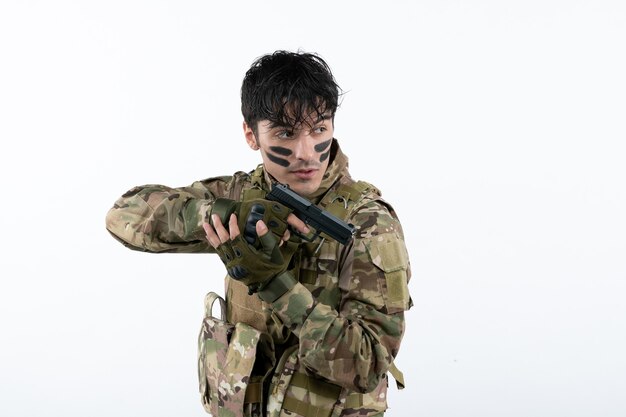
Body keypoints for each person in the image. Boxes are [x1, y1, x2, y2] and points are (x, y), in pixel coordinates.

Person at [106, 50, 412, 417]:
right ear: (251, 135)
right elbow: (124, 215)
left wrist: (275, 284)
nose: (305, 153)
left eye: (319, 129)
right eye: (285, 132)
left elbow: (368, 363)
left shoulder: (367, 224)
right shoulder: (242, 195)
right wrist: (229, 216)